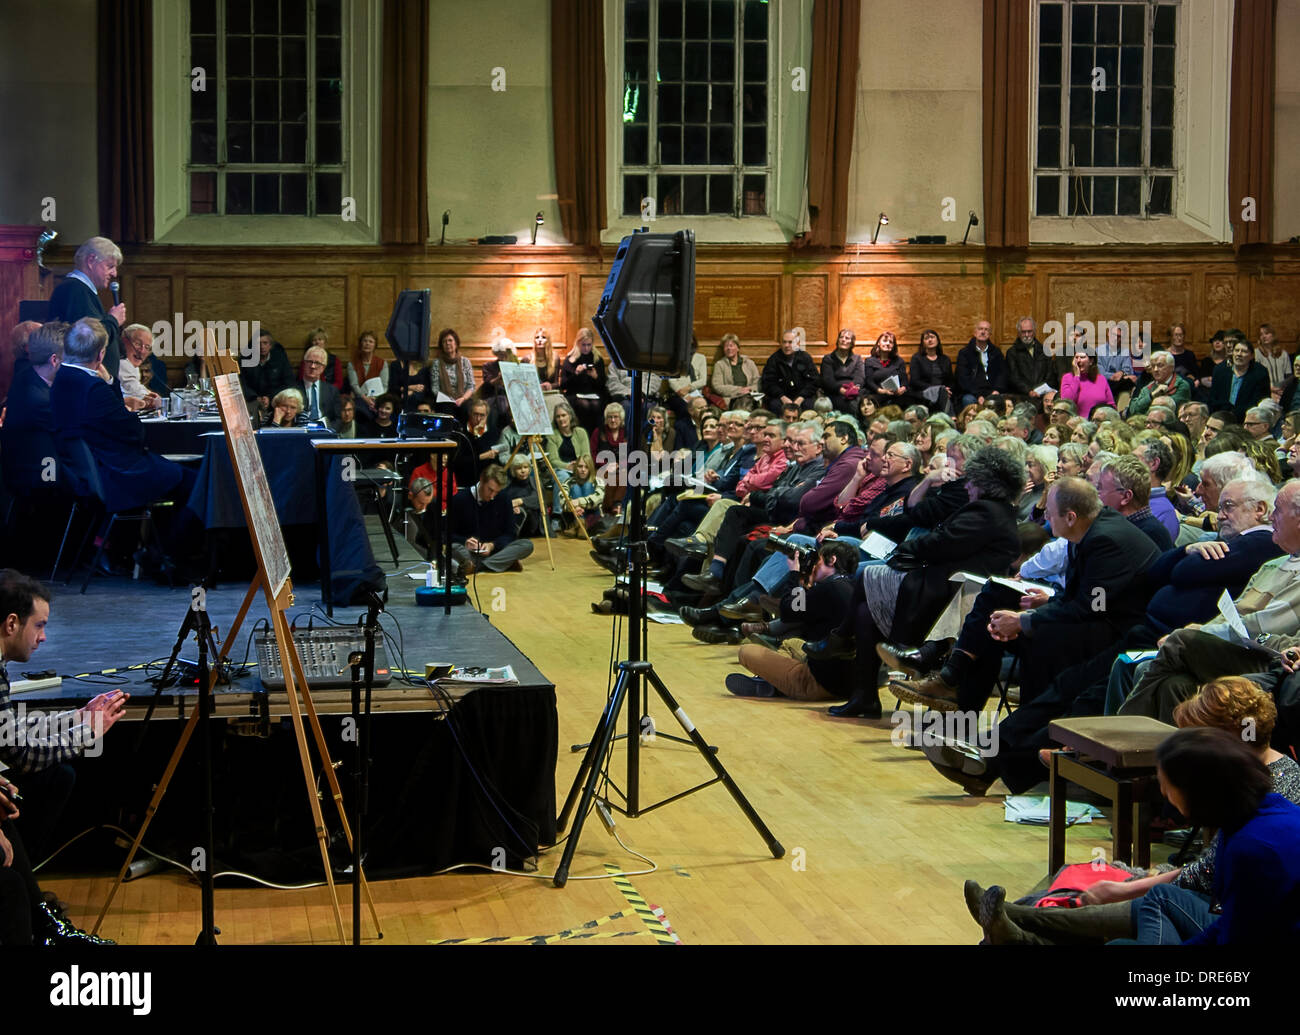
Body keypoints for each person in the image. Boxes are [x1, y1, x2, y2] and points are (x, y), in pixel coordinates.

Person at [890, 476, 1162, 716]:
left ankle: (980, 709)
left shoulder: (1105, 541)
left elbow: (1094, 606)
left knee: (1026, 635)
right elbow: (1090, 596)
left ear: (1070, 517)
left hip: (1114, 630)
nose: (1045, 519)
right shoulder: (1093, 529)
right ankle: (954, 680)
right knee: (995, 600)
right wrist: (1047, 603)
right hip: (1096, 615)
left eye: (1050, 514)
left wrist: (1025, 621)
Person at [808, 446, 1025, 718]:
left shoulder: (987, 512)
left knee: (867, 575)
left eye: (973, 480)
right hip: (941, 590)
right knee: (865, 612)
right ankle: (862, 694)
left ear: (985, 484)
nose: (967, 485)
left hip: (949, 600)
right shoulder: (993, 511)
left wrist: (909, 547)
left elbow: (940, 543)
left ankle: (840, 639)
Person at [50, 318, 192, 515]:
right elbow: (134, 433)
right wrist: (110, 385)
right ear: (101, 354)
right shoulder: (93, 388)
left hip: (87, 471)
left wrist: (109, 380)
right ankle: (171, 544)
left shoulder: (61, 380)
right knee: (194, 482)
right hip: (117, 475)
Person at [48, 237, 126, 382]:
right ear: (91, 261)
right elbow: (87, 341)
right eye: (110, 266)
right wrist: (113, 320)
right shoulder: (75, 290)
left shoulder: (81, 290)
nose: (115, 274)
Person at [448, 464, 536, 575]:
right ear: (481, 480)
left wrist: (492, 545)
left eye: (497, 492)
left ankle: (478, 567)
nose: (492, 496)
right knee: (454, 548)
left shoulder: (504, 498)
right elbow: (448, 534)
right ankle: (501, 563)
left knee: (527, 545)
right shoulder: (460, 499)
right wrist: (465, 542)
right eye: (490, 490)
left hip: (494, 549)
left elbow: (510, 533)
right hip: (469, 551)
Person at [1211, 338, 1270, 423]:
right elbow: (1213, 398)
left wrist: (1236, 414)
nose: (1239, 354)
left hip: (1248, 419)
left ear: (1251, 356)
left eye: (1244, 351)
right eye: (1236, 350)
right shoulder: (1220, 370)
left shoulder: (1260, 373)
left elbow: (1259, 402)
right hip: (1222, 418)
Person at [560, 328, 608, 434]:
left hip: (594, 394)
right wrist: (576, 374)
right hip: (575, 394)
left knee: (596, 405)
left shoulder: (597, 358)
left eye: (589, 345)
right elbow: (563, 385)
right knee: (584, 405)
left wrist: (595, 377)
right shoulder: (571, 359)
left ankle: (594, 437)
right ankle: (584, 435)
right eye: (583, 345)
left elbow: (603, 384)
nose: (586, 348)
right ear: (578, 343)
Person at [760, 329, 818, 412]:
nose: (787, 345)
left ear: (796, 344)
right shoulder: (774, 359)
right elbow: (768, 383)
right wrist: (782, 397)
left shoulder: (805, 358)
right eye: (784, 342)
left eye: (790, 342)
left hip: (802, 397)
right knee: (774, 405)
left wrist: (801, 398)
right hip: (781, 397)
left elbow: (814, 381)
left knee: (809, 405)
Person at [241, 328, 293, 419]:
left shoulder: (280, 359)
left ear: (270, 345)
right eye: (258, 344)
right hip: (251, 401)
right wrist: (254, 397)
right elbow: (241, 382)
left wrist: (271, 397)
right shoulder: (245, 360)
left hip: (276, 400)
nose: (262, 347)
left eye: (265, 343)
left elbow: (288, 383)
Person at [1005, 317, 1058, 403]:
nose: (1026, 335)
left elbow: (1050, 375)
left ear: (1034, 331)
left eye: (1029, 331)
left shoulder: (1044, 351)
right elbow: (1014, 377)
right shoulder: (1012, 352)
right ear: (1018, 333)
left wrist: (1040, 391)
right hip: (1021, 397)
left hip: (1043, 396)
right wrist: (1029, 391)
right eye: (1023, 332)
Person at [955, 320, 1006, 408]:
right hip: (972, 393)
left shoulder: (996, 352)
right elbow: (963, 378)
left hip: (993, 391)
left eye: (986, 330)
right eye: (980, 329)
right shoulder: (965, 353)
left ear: (990, 334)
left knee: (1004, 401)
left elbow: (1002, 374)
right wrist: (978, 395)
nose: (983, 332)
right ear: (975, 333)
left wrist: (997, 390)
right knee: (968, 400)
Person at [430, 328, 475, 421]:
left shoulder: (465, 362)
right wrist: (448, 399)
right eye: (444, 341)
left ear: (456, 343)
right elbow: (435, 388)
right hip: (445, 401)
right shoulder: (436, 363)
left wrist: (462, 398)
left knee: (467, 409)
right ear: (441, 345)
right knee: (446, 411)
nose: (447, 343)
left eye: (450, 340)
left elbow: (471, 386)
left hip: (463, 399)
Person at [1128, 350, 1191, 417]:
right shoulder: (1147, 388)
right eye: (1153, 366)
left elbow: (1168, 409)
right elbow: (1134, 410)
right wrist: (1152, 395)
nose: (1155, 370)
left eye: (1160, 365)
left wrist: (1145, 406)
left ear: (1171, 368)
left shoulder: (1181, 385)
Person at [297, 344, 343, 429]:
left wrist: (328, 431)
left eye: (317, 363)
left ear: (323, 367)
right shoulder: (293, 389)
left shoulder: (332, 391)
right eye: (310, 361)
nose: (312, 366)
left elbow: (338, 420)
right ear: (304, 363)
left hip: (325, 433)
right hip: (301, 432)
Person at [117, 325, 162, 412]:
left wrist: (148, 395)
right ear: (124, 341)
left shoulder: (132, 365)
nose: (142, 351)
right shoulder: (122, 362)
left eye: (147, 347)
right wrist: (149, 398)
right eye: (137, 344)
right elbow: (135, 392)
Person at [820, 329, 865, 414]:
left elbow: (860, 377)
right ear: (838, 340)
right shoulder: (828, 358)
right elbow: (828, 380)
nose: (843, 340)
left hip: (854, 391)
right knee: (845, 403)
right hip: (835, 391)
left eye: (847, 338)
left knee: (859, 402)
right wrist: (840, 389)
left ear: (852, 343)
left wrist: (852, 389)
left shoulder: (857, 359)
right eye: (841, 337)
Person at [346, 330, 388, 420]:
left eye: (370, 341)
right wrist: (366, 399)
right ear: (361, 344)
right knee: (362, 410)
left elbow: (384, 386)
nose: (367, 344)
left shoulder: (382, 363)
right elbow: (354, 385)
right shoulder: (352, 364)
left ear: (375, 345)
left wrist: (374, 399)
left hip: (378, 398)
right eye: (364, 341)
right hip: (360, 398)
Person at [909, 329, 953, 413]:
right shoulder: (917, 358)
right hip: (924, 392)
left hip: (944, 392)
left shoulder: (945, 359)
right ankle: (951, 418)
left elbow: (951, 380)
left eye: (932, 337)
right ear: (923, 343)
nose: (930, 340)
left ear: (937, 340)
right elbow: (915, 381)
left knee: (944, 394)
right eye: (926, 338)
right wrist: (937, 389)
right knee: (941, 393)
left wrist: (948, 390)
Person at [861, 331, 909, 407]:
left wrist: (903, 388)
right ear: (878, 344)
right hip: (878, 393)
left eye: (891, 342)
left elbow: (905, 381)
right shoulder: (870, 361)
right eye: (884, 341)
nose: (887, 344)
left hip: (896, 394)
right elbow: (869, 381)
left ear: (893, 346)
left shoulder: (899, 361)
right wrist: (882, 391)